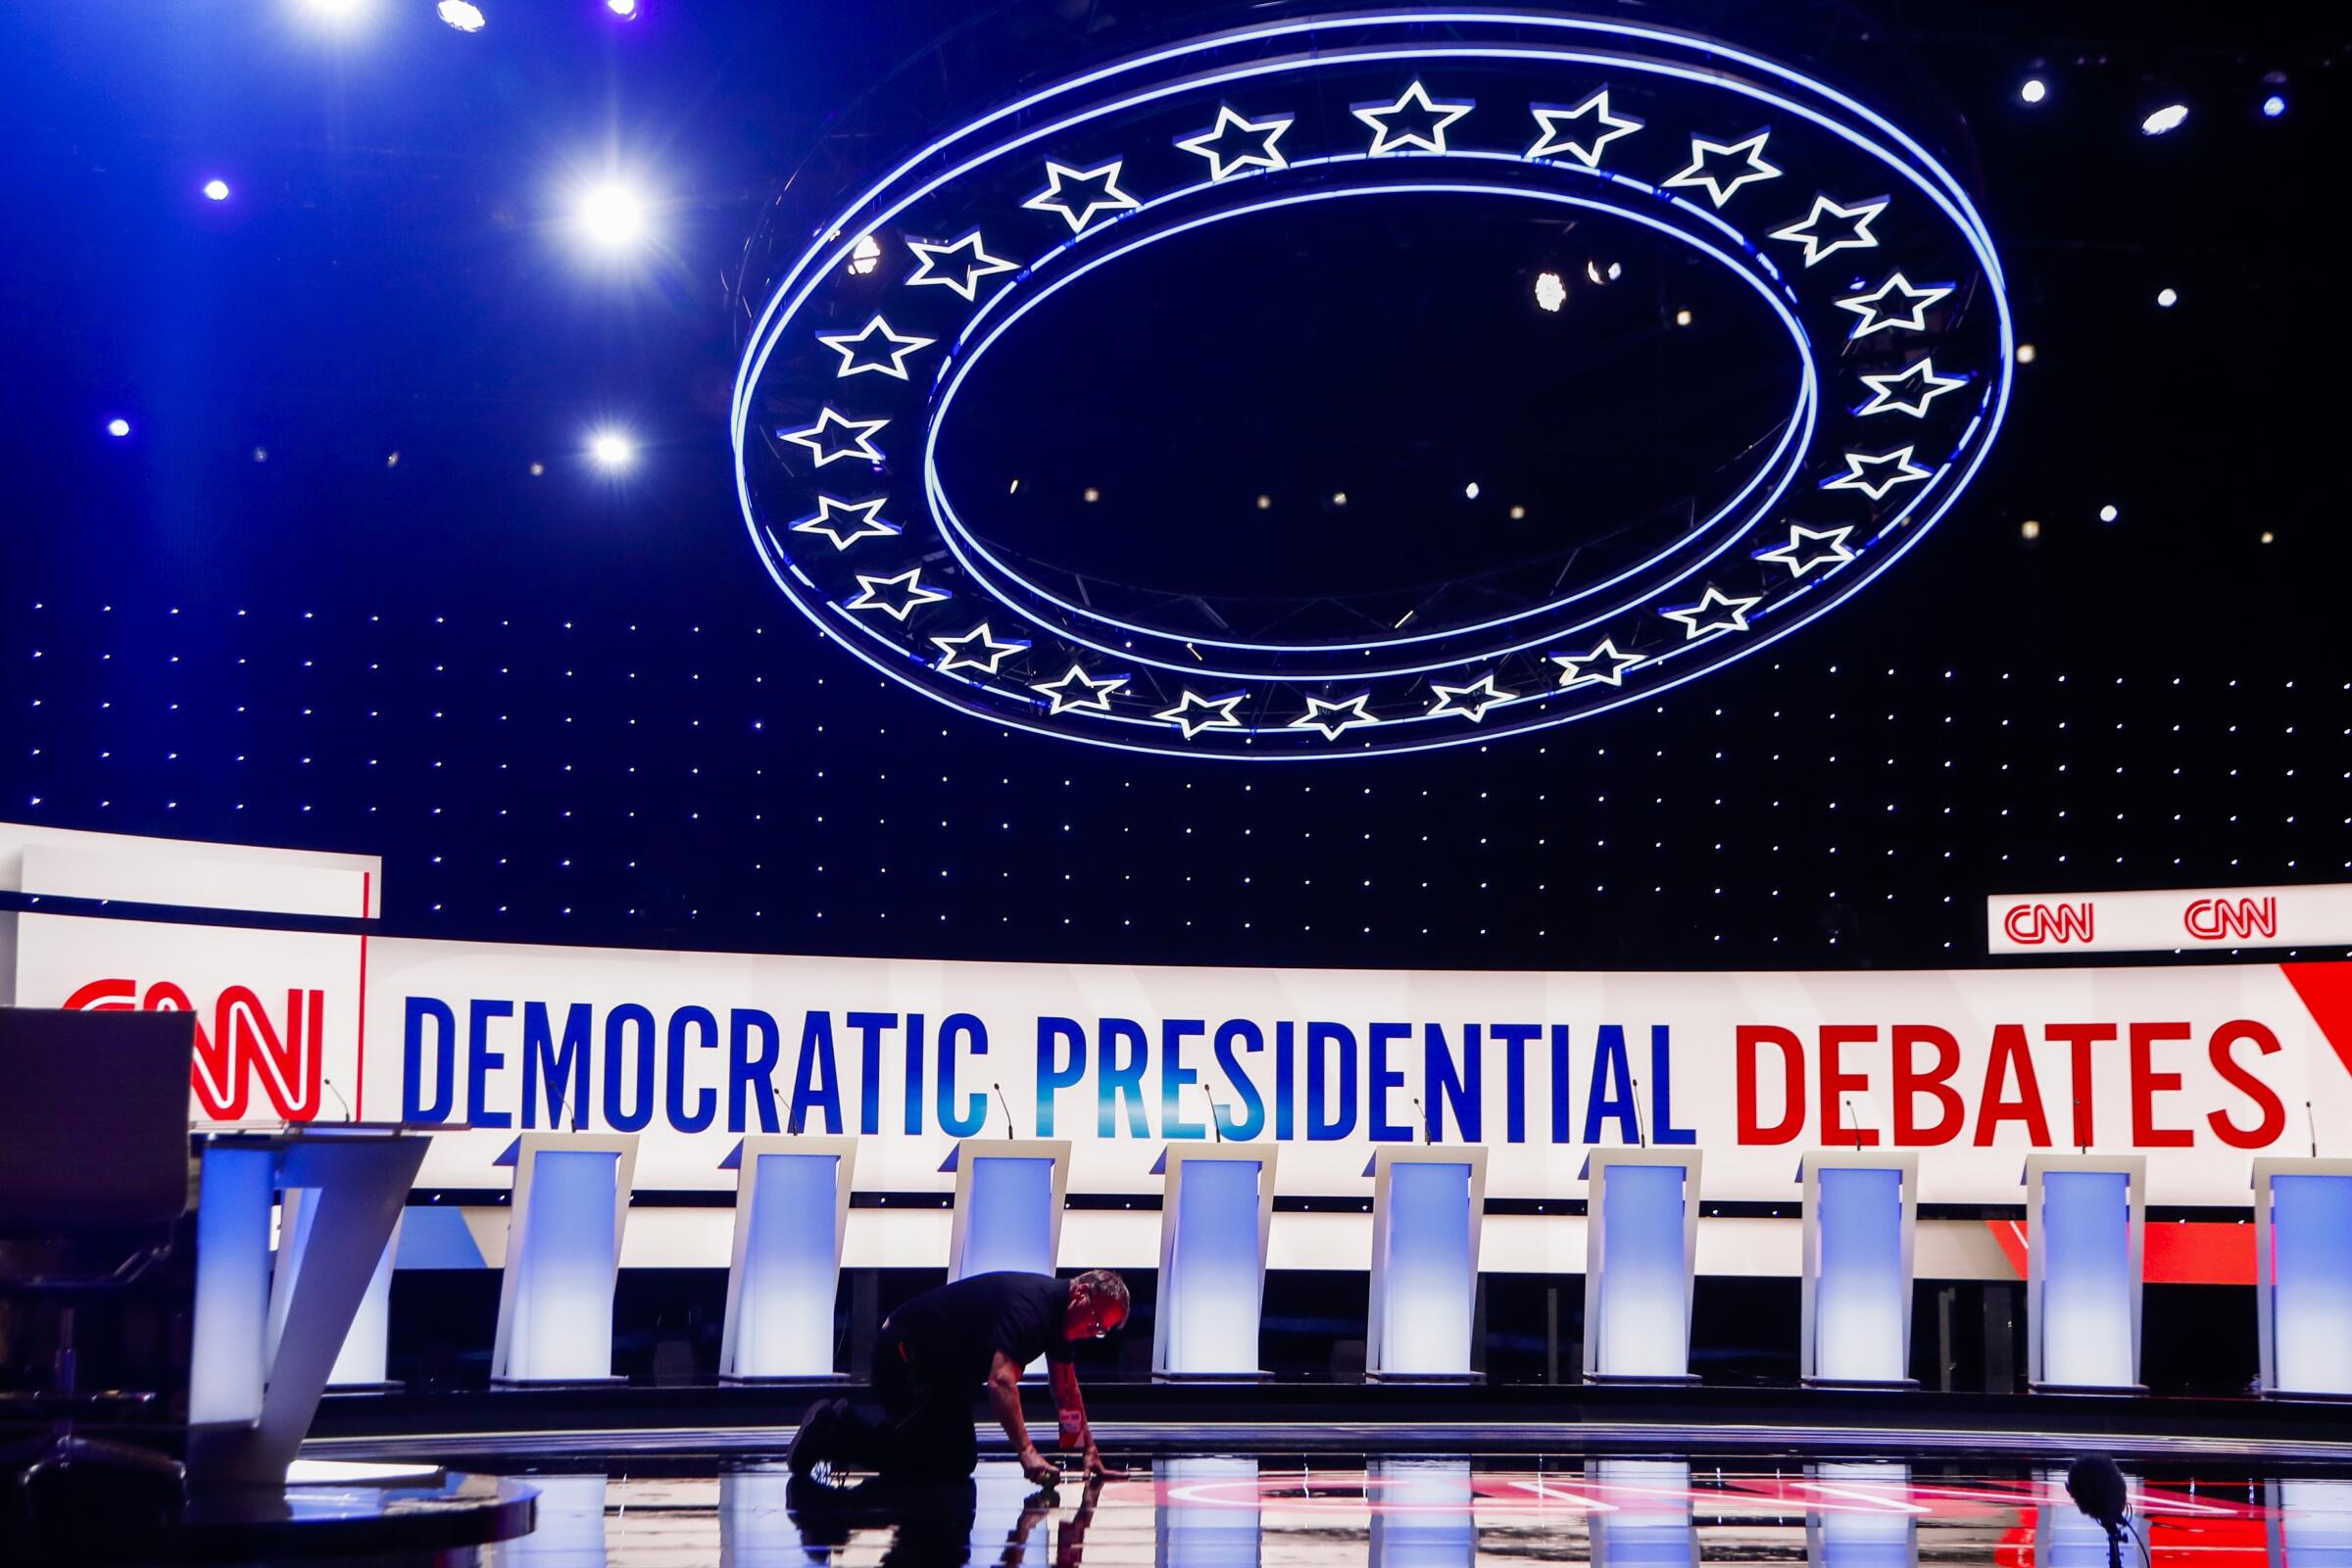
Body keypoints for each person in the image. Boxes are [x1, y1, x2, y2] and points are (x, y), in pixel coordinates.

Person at [791, 1269, 1130, 1485]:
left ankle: (840, 1427)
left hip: (942, 1375)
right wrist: (1026, 1451)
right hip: (903, 1357)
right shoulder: (1032, 1310)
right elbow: (1001, 1382)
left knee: (956, 1460)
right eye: (1096, 1321)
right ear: (1080, 1294)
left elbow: (1066, 1390)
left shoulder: (1060, 1321)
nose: (1093, 1332)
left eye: (1101, 1331)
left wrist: (1088, 1449)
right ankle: (835, 1432)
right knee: (933, 1459)